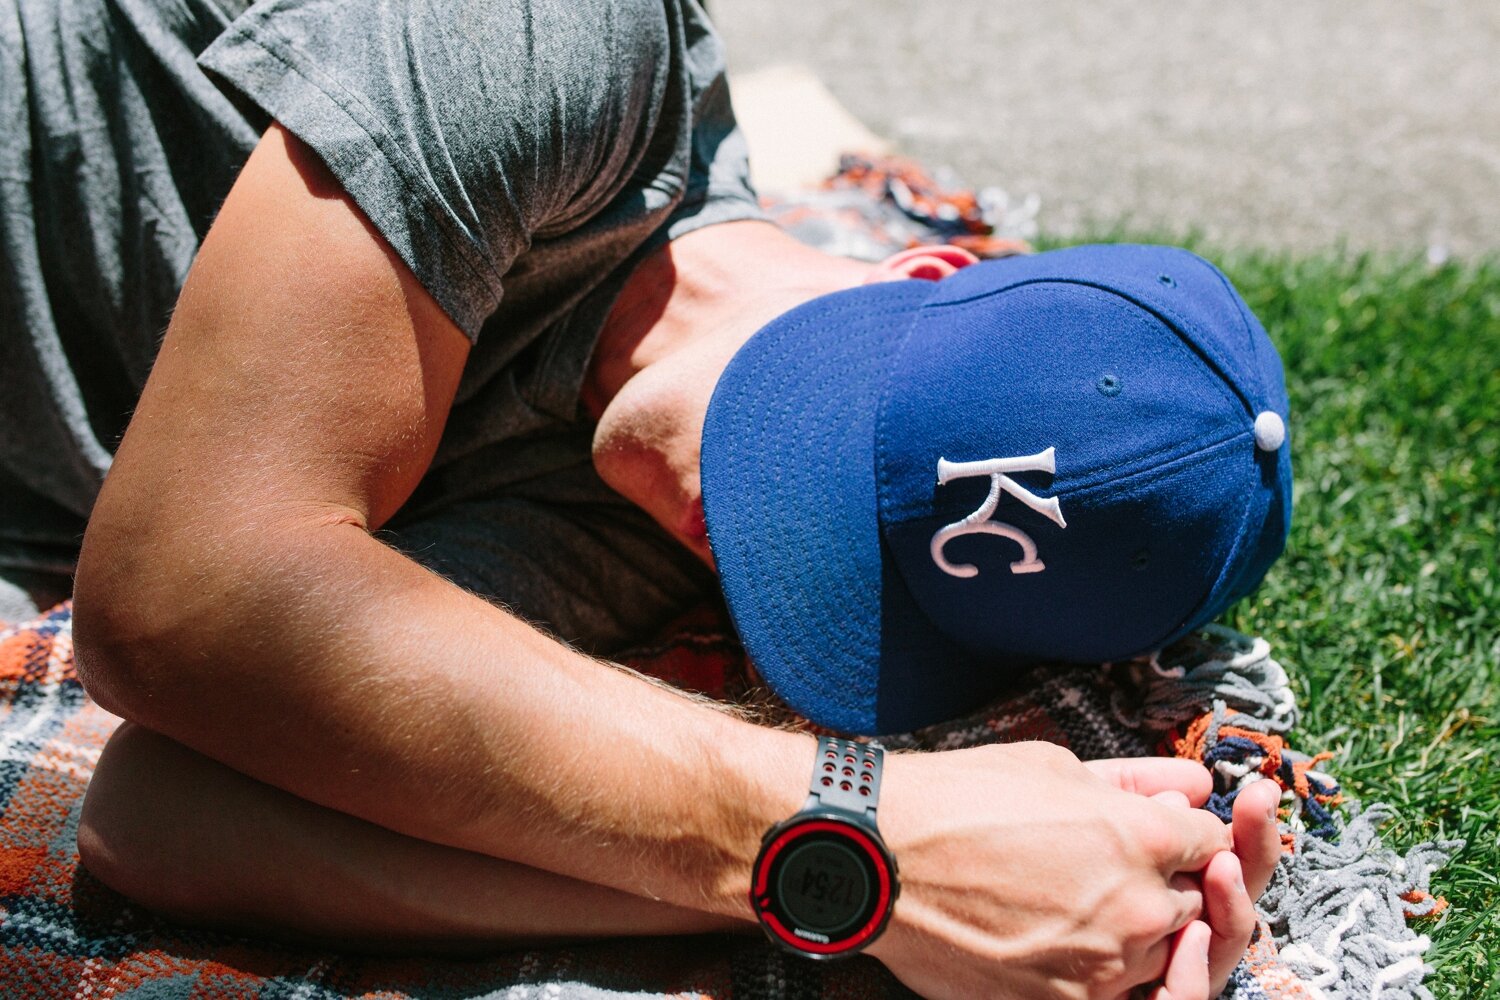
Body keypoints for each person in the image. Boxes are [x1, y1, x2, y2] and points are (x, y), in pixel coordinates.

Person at [1, 0, 1291, 997]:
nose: (754, 541)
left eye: (863, 575)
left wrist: (858, 884)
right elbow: (179, 602)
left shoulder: (641, 545)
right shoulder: (556, 42)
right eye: (825, 455)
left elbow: (156, 811)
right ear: (924, 264)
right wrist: (856, 819)